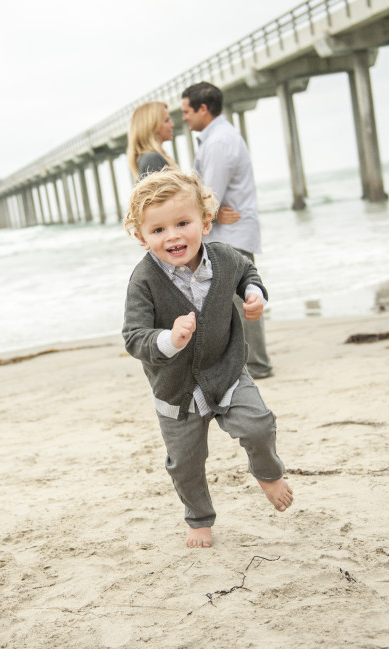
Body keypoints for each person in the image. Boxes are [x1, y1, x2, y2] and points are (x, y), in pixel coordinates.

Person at [122, 170, 293, 548]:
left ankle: (268, 474)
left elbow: (247, 271)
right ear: (140, 236)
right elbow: (134, 337)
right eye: (158, 230)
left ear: (205, 221)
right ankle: (199, 517)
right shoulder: (144, 281)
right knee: (185, 463)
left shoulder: (224, 258)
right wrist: (169, 338)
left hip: (226, 369)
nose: (173, 236)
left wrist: (253, 293)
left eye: (183, 223)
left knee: (258, 424)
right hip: (176, 390)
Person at [181, 81, 273, 379]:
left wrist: (213, 212)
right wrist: (215, 212)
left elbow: (210, 196)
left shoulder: (219, 142)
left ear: (203, 109)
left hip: (231, 237)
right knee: (238, 300)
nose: (184, 117)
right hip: (228, 232)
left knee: (244, 300)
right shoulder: (220, 137)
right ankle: (250, 363)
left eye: (187, 111)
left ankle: (256, 364)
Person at [127, 101, 177, 178]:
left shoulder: (148, 158)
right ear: (153, 126)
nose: (172, 124)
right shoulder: (152, 159)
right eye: (167, 121)